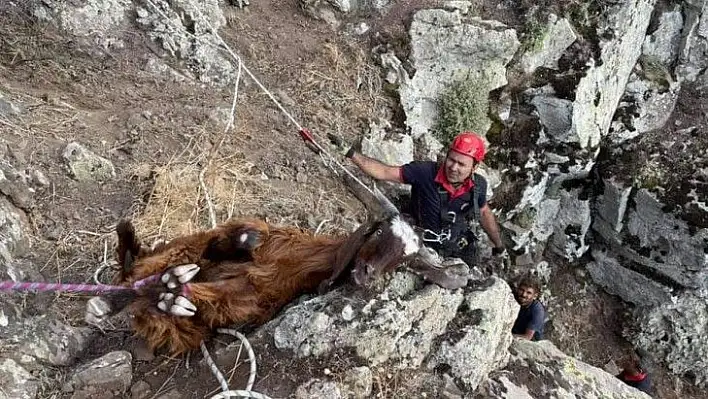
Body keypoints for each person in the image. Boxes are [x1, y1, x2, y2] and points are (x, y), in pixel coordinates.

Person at [343, 131, 505, 267]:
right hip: (420, 242)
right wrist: (351, 154)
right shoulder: (424, 173)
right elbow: (384, 172)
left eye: (461, 164)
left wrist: (498, 245)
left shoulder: (478, 187)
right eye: (451, 160)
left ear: (474, 167)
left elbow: (484, 213)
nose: (453, 168)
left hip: (454, 245)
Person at [511, 275, 545, 341]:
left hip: (530, 342)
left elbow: (527, 337)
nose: (524, 294)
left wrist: (504, 336)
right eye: (521, 290)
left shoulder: (537, 310)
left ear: (535, 296)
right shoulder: (513, 298)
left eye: (529, 293)